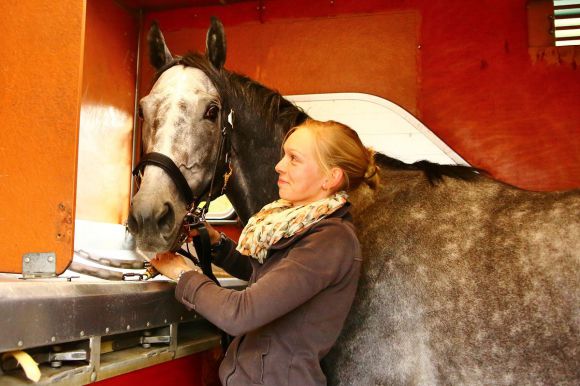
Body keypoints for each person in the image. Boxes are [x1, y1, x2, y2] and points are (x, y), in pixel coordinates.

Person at [151, 118, 380, 386]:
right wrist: (217, 245)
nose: (279, 166)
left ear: (331, 178)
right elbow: (271, 280)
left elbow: (240, 314)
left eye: (294, 159)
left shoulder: (331, 239)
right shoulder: (300, 224)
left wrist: (183, 274)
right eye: (285, 156)